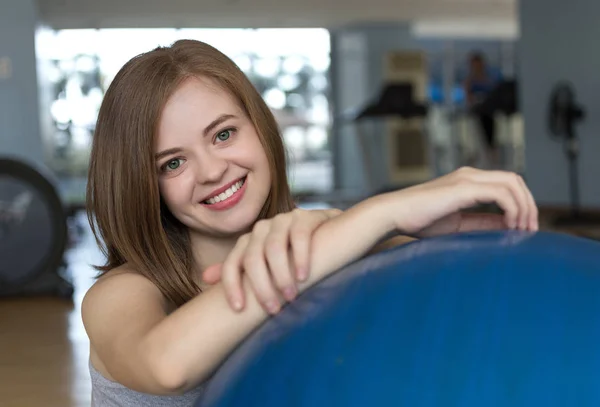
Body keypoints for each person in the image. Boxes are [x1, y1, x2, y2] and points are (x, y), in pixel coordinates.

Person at [82, 39, 539, 407]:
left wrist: (424, 233)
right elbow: (166, 366)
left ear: (259, 127)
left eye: (224, 134)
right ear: (144, 184)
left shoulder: (321, 242)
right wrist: (381, 210)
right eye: (173, 163)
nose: (211, 170)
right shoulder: (121, 294)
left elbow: (497, 287)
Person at [464, 51, 502, 169]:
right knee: (477, 143)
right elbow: (469, 99)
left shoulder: (489, 80)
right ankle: (477, 166)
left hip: (489, 114)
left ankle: (492, 165)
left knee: (491, 142)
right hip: (476, 116)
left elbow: (494, 96)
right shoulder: (469, 82)